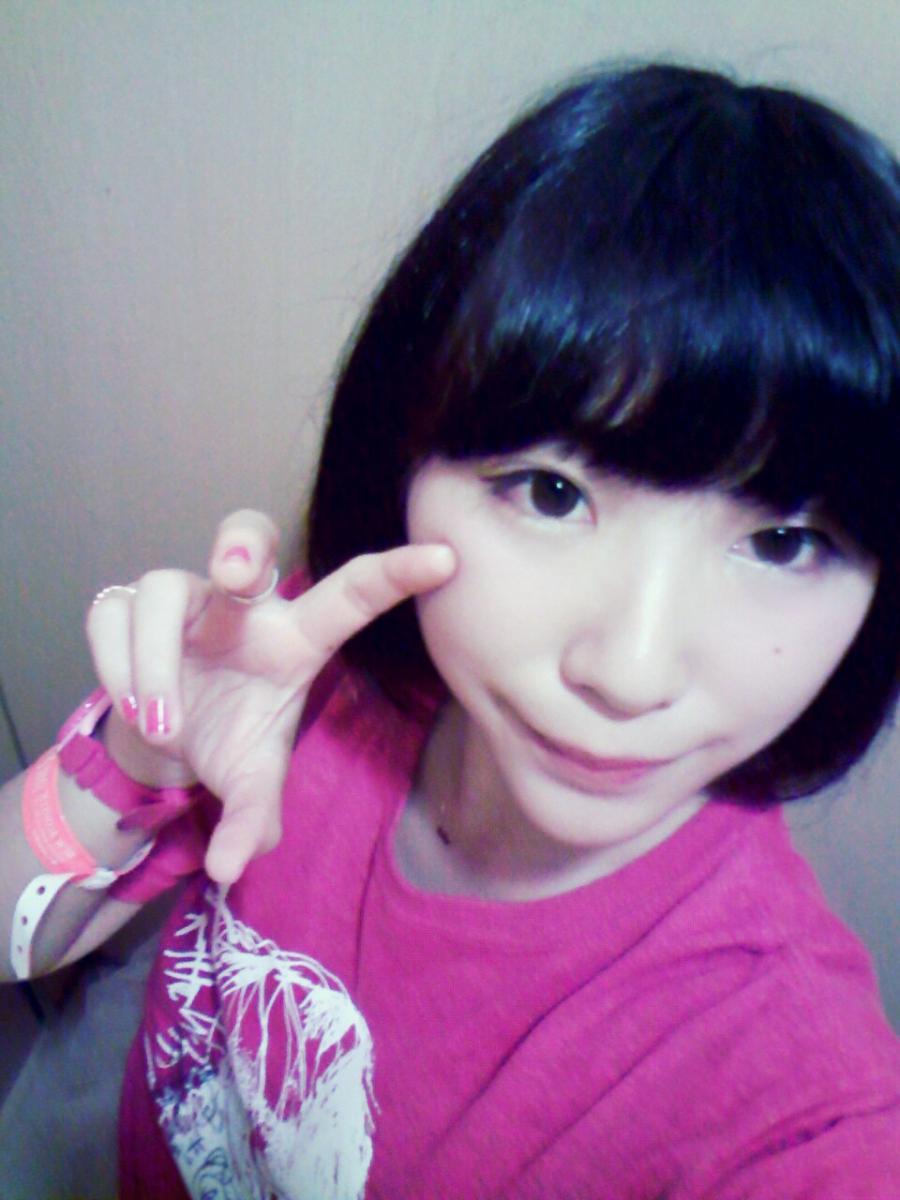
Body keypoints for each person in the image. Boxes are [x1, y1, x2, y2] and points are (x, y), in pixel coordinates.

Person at [2, 61, 899, 1198]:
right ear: (405, 453)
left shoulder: (796, 1103)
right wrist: (143, 757)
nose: (630, 673)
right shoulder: (316, 671)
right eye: (553, 494)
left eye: (782, 542)